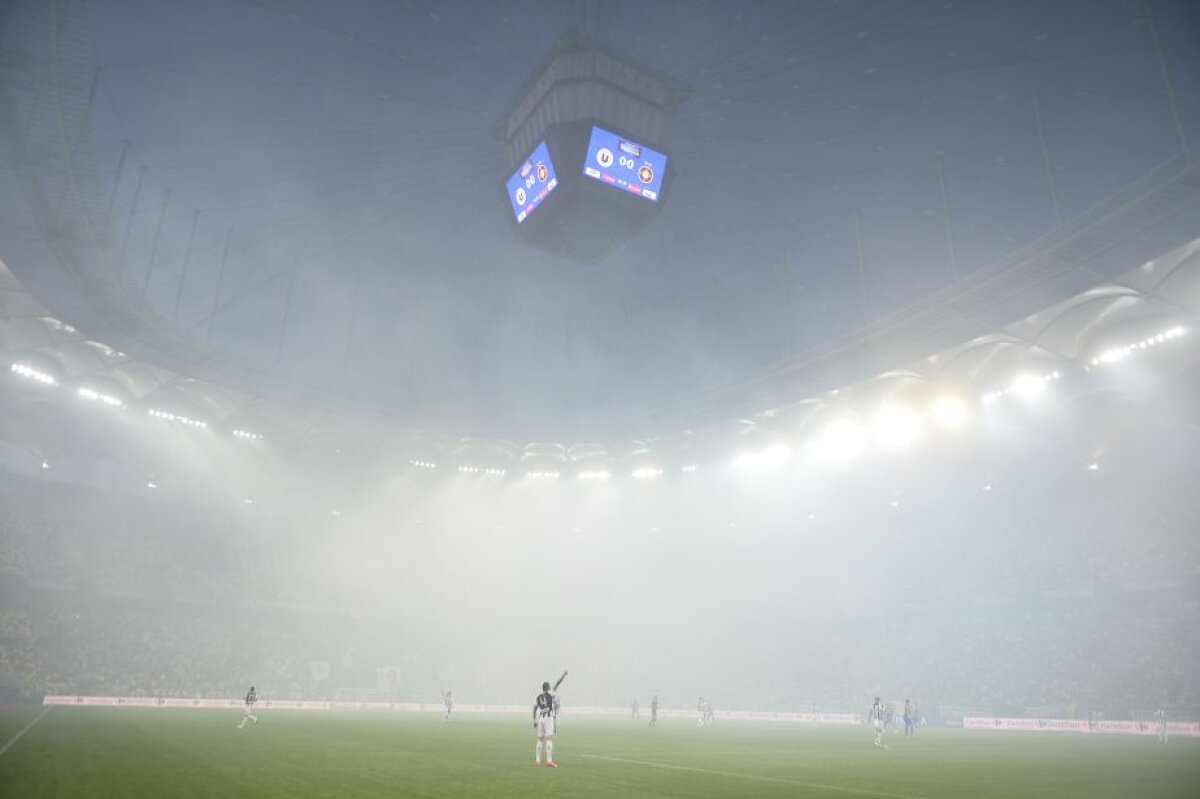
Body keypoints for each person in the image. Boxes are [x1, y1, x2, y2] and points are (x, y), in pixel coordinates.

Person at [533, 670, 567, 767]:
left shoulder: (538, 697)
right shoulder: (551, 693)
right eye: (550, 687)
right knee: (549, 739)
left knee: (539, 739)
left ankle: (538, 760)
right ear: (548, 688)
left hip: (540, 718)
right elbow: (557, 683)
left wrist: (534, 720)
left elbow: (534, 709)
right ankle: (549, 760)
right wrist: (564, 675)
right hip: (548, 718)